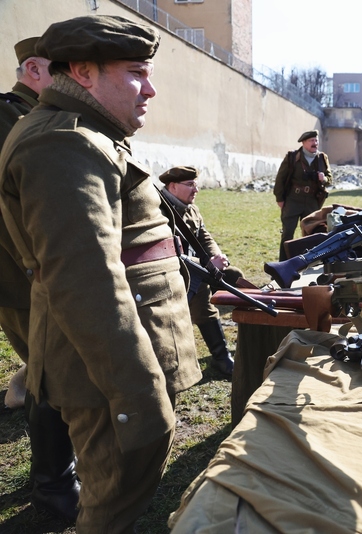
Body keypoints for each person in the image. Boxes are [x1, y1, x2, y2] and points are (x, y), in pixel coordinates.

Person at [0, 15, 202, 532]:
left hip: (118, 359)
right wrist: (136, 393)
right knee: (111, 509)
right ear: (84, 73)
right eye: (137, 72)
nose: (150, 89)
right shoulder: (63, 142)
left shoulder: (87, 133)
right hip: (107, 371)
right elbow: (85, 281)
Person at [0, 36, 80, 522]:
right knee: (49, 375)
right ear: (33, 70)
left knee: (49, 370)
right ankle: (54, 489)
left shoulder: (36, 114)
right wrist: (42, 271)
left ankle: (57, 480)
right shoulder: (13, 115)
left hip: (34, 270)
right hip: (22, 272)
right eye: (61, 70)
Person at [159, 165, 244, 376]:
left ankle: (222, 357)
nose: (195, 190)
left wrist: (218, 256)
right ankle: (214, 360)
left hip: (194, 269)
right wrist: (206, 264)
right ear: (172, 186)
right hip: (168, 273)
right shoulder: (159, 211)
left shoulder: (190, 207)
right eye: (189, 185)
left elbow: (204, 236)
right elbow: (167, 250)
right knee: (183, 314)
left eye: (196, 185)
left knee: (230, 279)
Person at [274, 129, 332, 261]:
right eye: (311, 141)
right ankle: (282, 264)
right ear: (304, 142)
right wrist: (280, 198)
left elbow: (330, 178)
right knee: (287, 233)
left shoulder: (322, 158)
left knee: (312, 233)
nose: (315, 143)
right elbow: (280, 179)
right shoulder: (292, 157)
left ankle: (308, 263)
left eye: (316, 140)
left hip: (312, 200)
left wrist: (324, 179)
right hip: (293, 199)